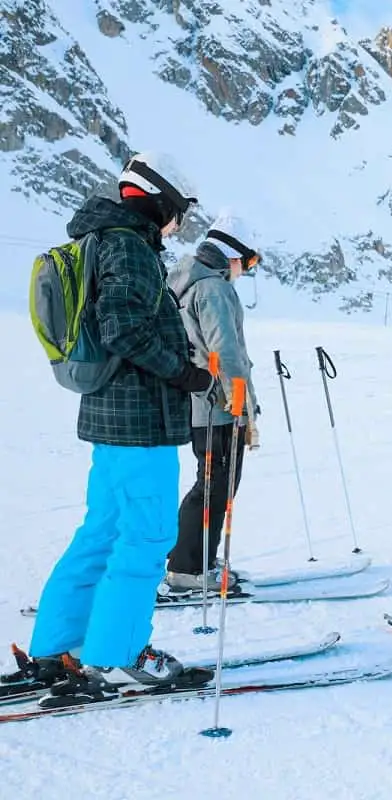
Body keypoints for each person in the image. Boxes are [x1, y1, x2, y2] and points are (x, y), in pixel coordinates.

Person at [15, 152, 217, 704]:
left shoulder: (102, 237)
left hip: (109, 416)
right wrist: (185, 374)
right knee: (146, 537)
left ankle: (59, 646)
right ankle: (117, 656)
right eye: (177, 211)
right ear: (157, 199)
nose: (178, 223)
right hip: (138, 421)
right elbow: (123, 328)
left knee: (101, 531)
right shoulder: (127, 243)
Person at [164, 210, 261, 595]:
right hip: (219, 404)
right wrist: (243, 405)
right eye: (248, 261)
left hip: (201, 402)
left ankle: (196, 559)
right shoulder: (215, 289)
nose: (246, 269)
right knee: (215, 485)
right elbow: (226, 351)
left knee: (210, 483)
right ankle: (188, 568)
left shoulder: (189, 281)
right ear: (232, 254)